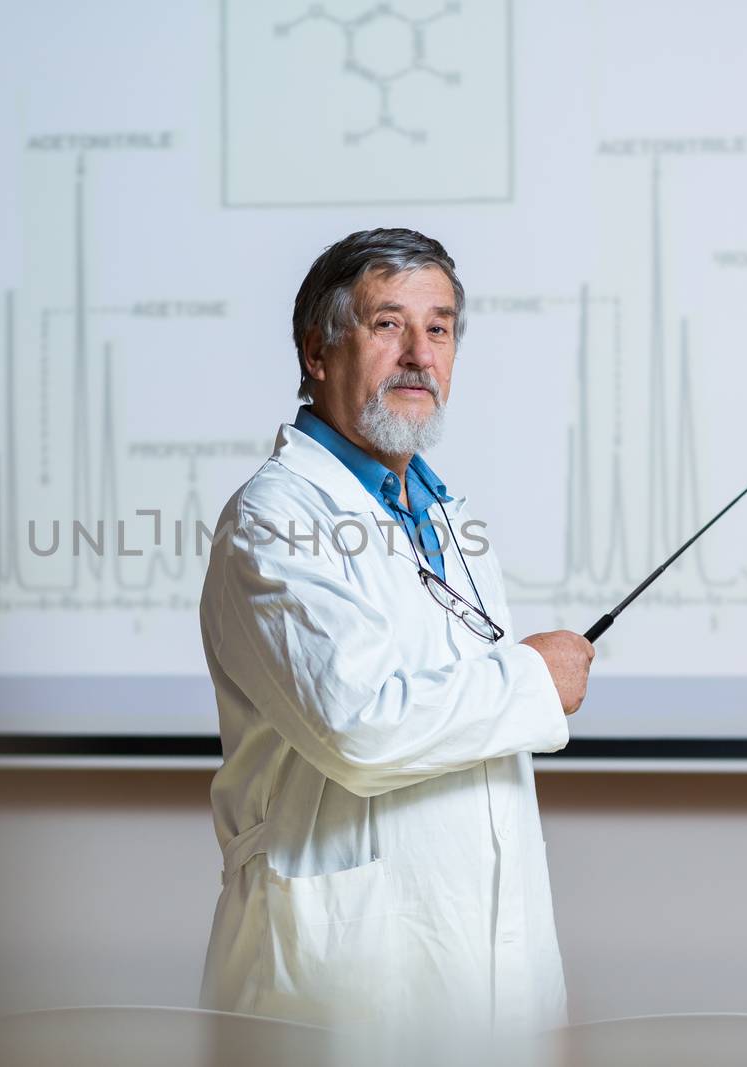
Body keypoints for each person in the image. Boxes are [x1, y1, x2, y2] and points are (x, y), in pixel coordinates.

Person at [197, 228, 595, 1035]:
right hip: (344, 990)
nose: (420, 353)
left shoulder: (446, 514)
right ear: (318, 351)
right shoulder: (274, 519)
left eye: (439, 327)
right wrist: (530, 681)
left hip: (487, 986)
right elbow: (360, 729)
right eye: (388, 324)